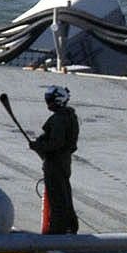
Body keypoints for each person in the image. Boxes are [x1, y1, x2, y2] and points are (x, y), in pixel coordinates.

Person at [30, 85, 81, 234]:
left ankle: (58, 229)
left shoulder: (59, 119)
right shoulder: (70, 116)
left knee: (56, 196)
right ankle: (70, 225)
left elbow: (56, 143)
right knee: (64, 193)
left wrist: (39, 145)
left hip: (55, 162)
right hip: (64, 161)